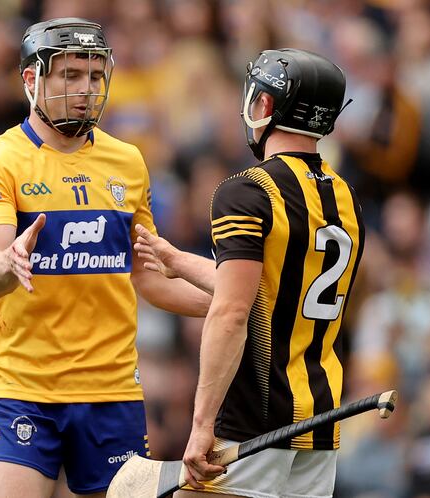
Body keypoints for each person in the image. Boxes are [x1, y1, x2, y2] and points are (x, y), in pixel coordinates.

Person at [0, 18, 211, 498]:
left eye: (94, 77)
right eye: (70, 75)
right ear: (31, 80)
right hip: (22, 386)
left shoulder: (128, 162)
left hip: (110, 391)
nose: (85, 89)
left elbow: (149, 277)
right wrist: (10, 263)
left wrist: (229, 306)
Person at [134, 49, 364, 498]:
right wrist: (179, 262)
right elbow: (275, 293)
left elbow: (233, 312)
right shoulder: (346, 197)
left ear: (264, 106)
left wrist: (201, 425)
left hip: (252, 422)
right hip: (317, 424)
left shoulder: (247, 190)